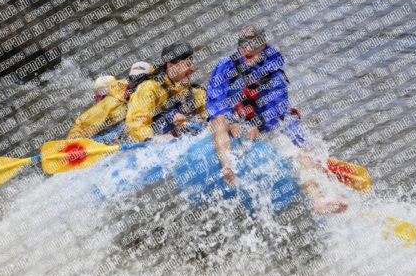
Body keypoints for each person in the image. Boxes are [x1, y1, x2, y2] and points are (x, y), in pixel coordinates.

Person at [206, 25, 347, 215]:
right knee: (219, 120)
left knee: (301, 154)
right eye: (243, 44)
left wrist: (259, 124)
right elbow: (215, 98)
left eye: (253, 45)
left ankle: (319, 199)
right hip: (233, 120)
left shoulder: (274, 74)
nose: (247, 49)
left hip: (264, 125)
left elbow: (278, 107)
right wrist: (231, 122)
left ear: (263, 46)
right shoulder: (226, 65)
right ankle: (227, 167)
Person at [125, 41, 207, 143]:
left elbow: (209, 122)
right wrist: (156, 139)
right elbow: (135, 125)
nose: (193, 69)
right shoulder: (150, 88)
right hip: (157, 144)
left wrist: (188, 123)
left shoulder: (197, 93)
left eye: (192, 63)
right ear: (171, 66)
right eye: (187, 64)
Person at [66, 62, 153, 143]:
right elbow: (81, 125)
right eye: (99, 97)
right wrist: (76, 139)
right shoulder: (112, 102)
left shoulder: (152, 95)